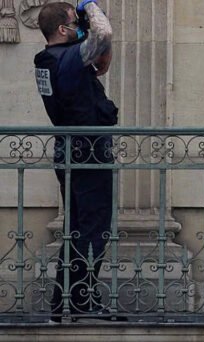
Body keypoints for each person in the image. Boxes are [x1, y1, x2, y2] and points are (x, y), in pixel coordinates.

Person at [34, 0, 117, 321]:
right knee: (93, 230)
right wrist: (88, 6)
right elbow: (103, 32)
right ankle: (80, 302)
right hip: (88, 153)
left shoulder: (51, 59)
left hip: (71, 151)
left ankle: (66, 302)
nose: (79, 25)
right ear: (62, 29)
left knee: (77, 230)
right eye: (74, 22)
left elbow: (102, 48)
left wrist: (100, 49)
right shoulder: (66, 59)